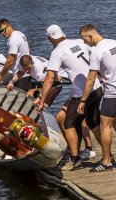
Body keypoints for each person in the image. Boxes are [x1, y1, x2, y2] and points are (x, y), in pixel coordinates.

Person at [37, 24, 103, 171]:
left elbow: (49, 79)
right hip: (97, 87)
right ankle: (107, 156)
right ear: (62, 34)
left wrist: (42, 101)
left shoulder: (57, 52)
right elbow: (96, 57)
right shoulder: (80, 42)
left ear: (50, 38)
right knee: (92, 122)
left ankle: (74, 159)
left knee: (68, 124)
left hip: (82, 93)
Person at [78, 24, 116, 172]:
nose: (85, 43)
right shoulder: (114, 42)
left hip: (112, 93)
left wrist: (83, 100)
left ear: (91, 36)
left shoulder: (96, 51)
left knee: (105, 126)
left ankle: (106, 162)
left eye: (84, 39)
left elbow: (90, 79)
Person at [0, 19, 32, 91]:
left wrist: (0, 75)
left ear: (9, 26)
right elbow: (28, 49)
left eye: (3, 30)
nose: (2, 33)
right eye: (0, 31)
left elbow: (10, 61)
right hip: (27, 73)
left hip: (20, 75)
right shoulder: (20, 33)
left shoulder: (13, 39)